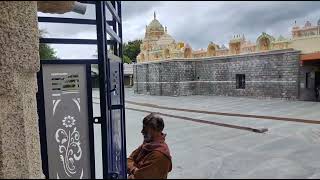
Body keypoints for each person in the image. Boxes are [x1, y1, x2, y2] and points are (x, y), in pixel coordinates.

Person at [127, 113, 172, 179]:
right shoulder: (147, 144)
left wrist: (132, 169)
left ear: (155, 130)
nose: (142, 131)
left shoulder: (159, 155)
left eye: (145, 129)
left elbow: (137, 177)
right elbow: (129, 160)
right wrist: (135, 170)